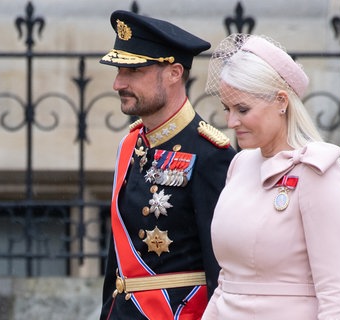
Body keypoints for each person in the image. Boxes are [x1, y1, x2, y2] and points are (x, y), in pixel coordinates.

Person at [201, 33, 340, 319]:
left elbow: (338, 292)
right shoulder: (240, 164)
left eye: (243, 109)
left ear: (281, 101)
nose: (231, 122)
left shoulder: (319, 171)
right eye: (227, 109)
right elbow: (227, 279)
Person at [98, 10, 237, 320]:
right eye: (120, 70)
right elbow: (117, 265)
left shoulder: (212, 153)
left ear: (174, 73)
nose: (118, 83)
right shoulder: (130, 146)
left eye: (133, 72)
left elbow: (222, 271)